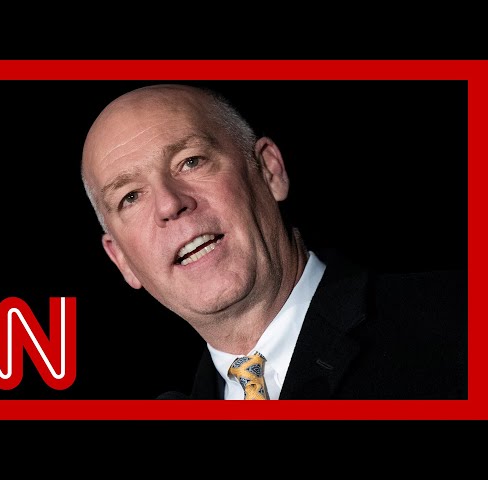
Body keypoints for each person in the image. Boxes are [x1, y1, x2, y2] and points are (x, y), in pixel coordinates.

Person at [80, 82, 467, 400]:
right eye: (130, 196)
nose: (169, 203)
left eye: (190, 161)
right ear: (122, 261)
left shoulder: (459, 320)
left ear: (269, 170)